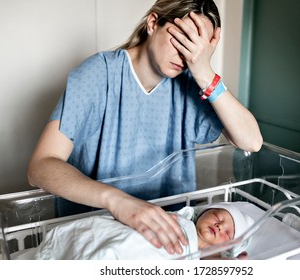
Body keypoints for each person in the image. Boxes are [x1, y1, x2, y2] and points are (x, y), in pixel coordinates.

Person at [27, 0, 263, 257]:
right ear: (153, 24)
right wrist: (118, 202)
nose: (186, 56)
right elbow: (41, 166)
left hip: (170, 236)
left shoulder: (193, 85)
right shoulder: (99, 74)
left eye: (197, 49)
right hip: (100, 232)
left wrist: (205, 72)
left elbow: (251, 142)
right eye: (182, 40)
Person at [33, 202, 254, 260]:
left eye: (228, 232)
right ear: (204, 212)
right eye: (218, 217)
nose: (219, 226)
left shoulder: (209, 256)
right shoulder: (179, 220)